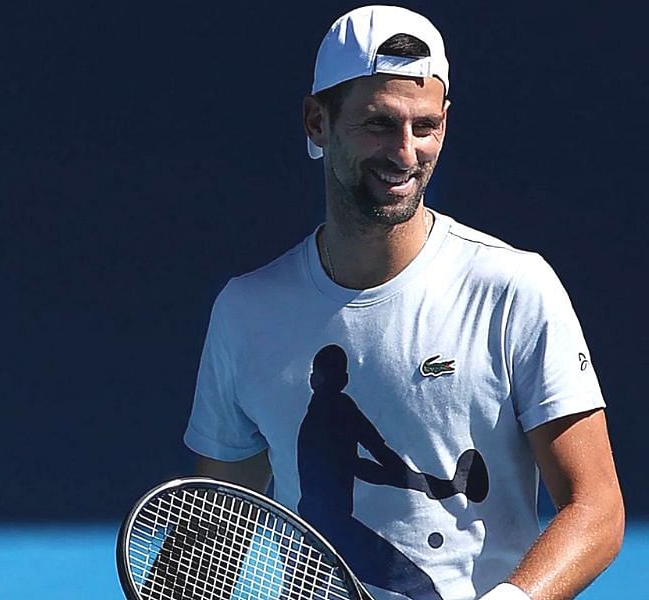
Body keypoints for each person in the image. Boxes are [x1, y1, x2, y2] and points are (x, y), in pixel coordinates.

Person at [184, 6, 623, 600]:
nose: (406, 152)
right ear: (317, 122)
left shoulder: (515, 289)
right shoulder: (245, 313)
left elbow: (596, 508)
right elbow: (210, 540)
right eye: (378, 125)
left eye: (425, 126)